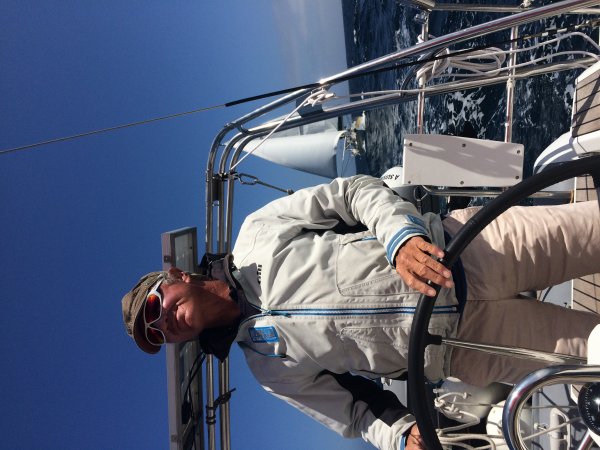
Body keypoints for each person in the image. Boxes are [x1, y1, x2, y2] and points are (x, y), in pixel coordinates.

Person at [122, 175, 600, 450]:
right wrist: (402, 435)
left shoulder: (257, 233)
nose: (162, 323)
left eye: (154, 307)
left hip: (471, 249)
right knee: (593, 358)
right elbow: (355, 411)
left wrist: (401, 240)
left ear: (175, 276)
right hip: (468, 347)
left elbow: (351, 193)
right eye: (156, 335)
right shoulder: (268, 369)